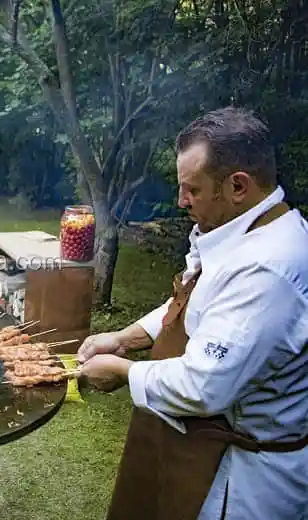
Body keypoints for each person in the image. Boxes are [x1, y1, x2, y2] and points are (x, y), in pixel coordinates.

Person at [78, 107, 308, 520]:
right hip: (199, 446)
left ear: (238, 185)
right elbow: (189, 302)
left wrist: (120, 370)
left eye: (192, 190)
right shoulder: (238, 230)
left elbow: (203, 386)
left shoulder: (267, 267)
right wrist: (123, 339)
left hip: (243, 477)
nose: (181, 201)